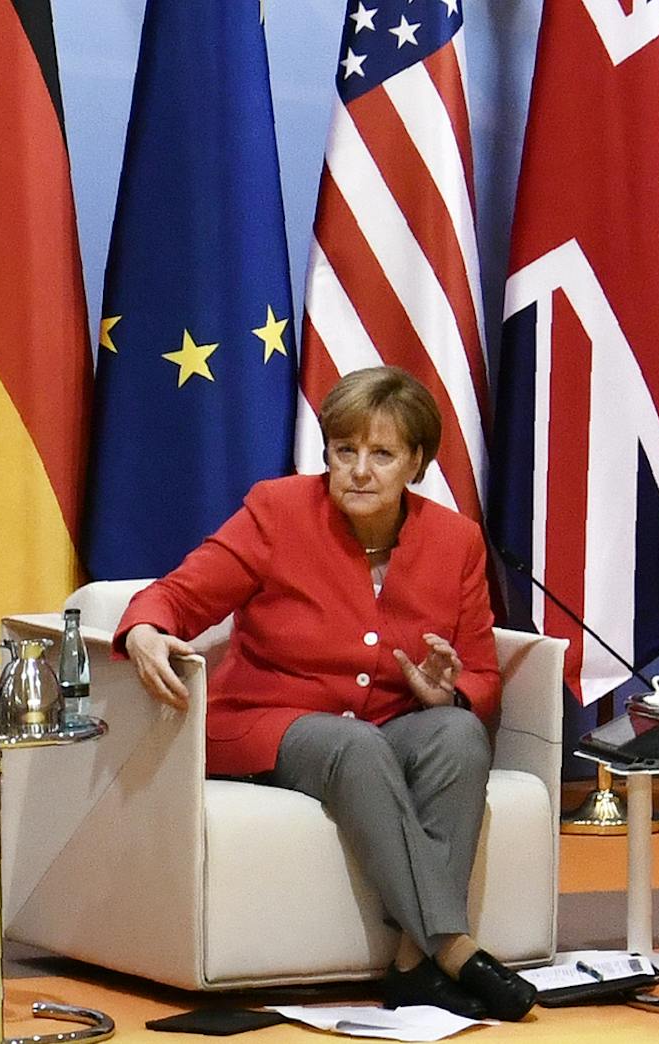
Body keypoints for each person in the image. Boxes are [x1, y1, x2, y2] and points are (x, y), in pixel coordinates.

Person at [116, 367, 537, 1022]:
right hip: (267, 722)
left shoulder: (455, 541)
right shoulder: (278, 513)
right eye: (346, 451)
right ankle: (450, 946)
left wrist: (445, 696)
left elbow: (481, 673)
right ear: (328, 454)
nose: (361, 471)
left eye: (382, 454)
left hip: (390, 724)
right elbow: (177, 594)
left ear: (417, 463)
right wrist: (144, 628)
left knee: (457, 735)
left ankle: (409, 966)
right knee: (352, 744)